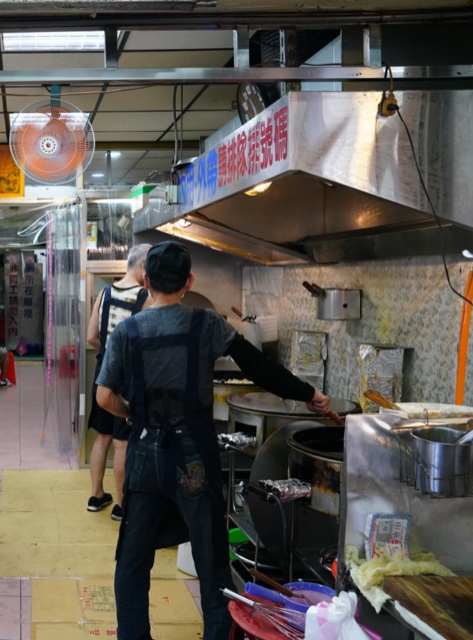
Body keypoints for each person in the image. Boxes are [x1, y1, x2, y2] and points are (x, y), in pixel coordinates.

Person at [95, 241, 337, 640]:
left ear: (147, 281)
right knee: (211, 562)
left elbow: (105, 397)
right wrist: (309, 394)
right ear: (189, 281)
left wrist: (135, 416)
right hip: (193, 460)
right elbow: (259, 367)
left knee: (133, 560)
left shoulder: (127, 331)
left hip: (145, 459)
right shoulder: (206, 324)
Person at [86, 243, 150, 520]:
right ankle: (122, 506)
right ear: (143, 267)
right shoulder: (145, 297)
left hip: (103, 374)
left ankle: (96, 495)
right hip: (128, 379)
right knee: (122, 444)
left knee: (102, 437)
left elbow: (91, 336)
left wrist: (109, 352)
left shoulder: (104, 292)